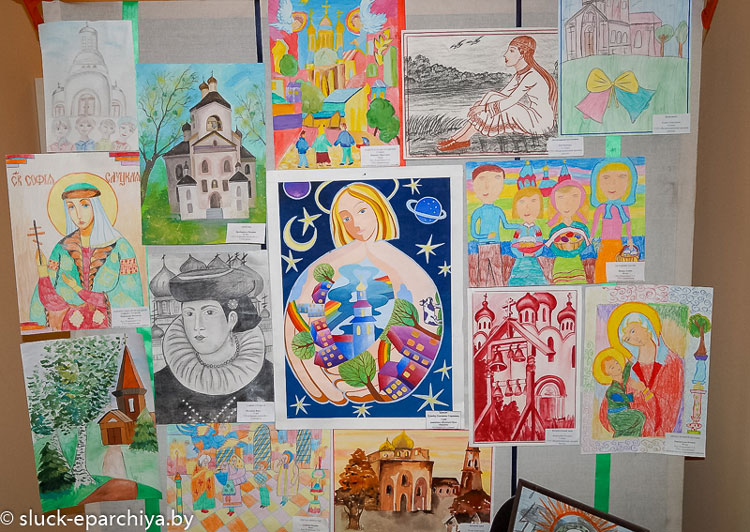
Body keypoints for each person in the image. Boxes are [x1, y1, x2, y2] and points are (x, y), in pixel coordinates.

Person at [285, 182, 440, 405]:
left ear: (379, 209)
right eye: (346, 218)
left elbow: (428, 314)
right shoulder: (331, 263)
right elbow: (302, 305)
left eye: (362, 211)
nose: (355, 224)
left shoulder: (403, 265)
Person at [154, 258, 273, 423]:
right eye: (189, 314)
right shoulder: (162, 383)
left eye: (209, 313)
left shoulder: (268, 378)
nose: (197, 326)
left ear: (231, 320)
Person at [30, 181, 143, 330]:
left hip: (108, 329)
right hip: (69, 330)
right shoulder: (61, 249)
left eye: (84, 205)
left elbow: (130, 298)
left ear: (96, 206)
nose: (78, 214)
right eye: (71, 207)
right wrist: (43, 271)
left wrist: (79, 290)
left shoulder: (120, 247)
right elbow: (50, 301)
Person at [438, 35, 557, 152]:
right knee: (491, 95)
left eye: (511, 51)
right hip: (532, 115)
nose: (505, 54)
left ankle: (463, 139)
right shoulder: (521, 74)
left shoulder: (531, 76)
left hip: (539, 122)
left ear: (522, 54)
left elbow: (511, 100)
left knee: (494, 102)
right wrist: (482, 104)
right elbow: (503, 94)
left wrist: (484, 107)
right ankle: (457, 138)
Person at [614, 305, 684, 437]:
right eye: (627, 339)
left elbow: (669, 405)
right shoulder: (630, 369)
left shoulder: (671, 361)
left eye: (633, 331)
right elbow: (628, 401)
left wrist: (644, 391)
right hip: (637, 433)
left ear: (645, 325)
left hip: (660, 433)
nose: (633, 338)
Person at [468, 165, 521, 287]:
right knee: (482, 275)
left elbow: (506, 225)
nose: (487, 188)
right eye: (482, 181)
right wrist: (486, 236)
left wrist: (519, 226)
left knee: (498, 274)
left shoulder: (498, 210)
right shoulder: (477, 212)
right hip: (483, 246)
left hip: (495, 246)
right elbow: (474, 233)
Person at [590, 159, 638, 282]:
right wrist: (591, 237)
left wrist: (630, 239)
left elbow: (628, 224)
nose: (613, 184)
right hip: (604, 243)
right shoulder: (601, 207)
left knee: (616, 269)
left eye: (621, 177)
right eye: (606, 178)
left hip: (617, 243)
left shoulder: (624, 207)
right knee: (601, 267)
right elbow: (595, 224)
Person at [545, 175, 590, 284]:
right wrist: (566, 252)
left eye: (573, 198)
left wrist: (572, 251)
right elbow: (553, 248)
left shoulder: (582, 227)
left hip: (576, 264)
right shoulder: (555, 229)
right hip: (560, 266)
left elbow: (585, 245)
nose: (567, 204)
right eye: (561, 198)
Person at [593, 347, 647, 438]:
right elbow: (621, 398)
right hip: (616, 417)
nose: (617, 366)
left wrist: (629, 363)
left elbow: (626, 374)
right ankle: (623, 435)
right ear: (607, 373)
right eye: (612, 367)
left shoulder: (622, 382)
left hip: (625, 413)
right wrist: (635, 395)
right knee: (639, 417)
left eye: (616, 363)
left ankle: (623, 436)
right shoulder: (611, 390)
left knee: (639, 419)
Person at [508, 186, 547, 285]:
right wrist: (522, 254)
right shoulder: (519, 230)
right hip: (520, 263)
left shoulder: (537, 229)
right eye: (522, 202)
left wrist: (534, 253)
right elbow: (513, 245)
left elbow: (540, 245)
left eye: (533, 201)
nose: (527, 208)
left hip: (533, 262)